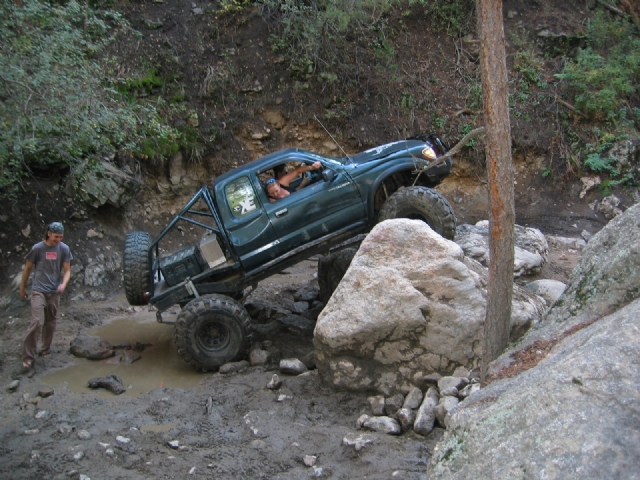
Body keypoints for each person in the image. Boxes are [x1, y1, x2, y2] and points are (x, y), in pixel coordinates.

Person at [18, 222, 72, 376]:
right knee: (37, 322)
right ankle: (28, 357)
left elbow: (67, 270)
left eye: (61, 237)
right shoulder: (37, 249)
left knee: (51, 321)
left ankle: (45, 349)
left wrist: (63, 284)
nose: (58, 240)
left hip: (54, 292)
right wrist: (22, 288)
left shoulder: (64, 249)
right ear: (48, 233)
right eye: (56, 237)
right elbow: (28, 269)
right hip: (38, 290)